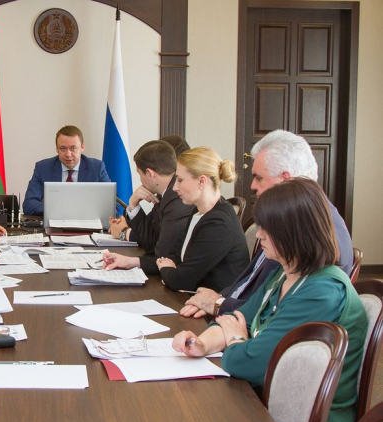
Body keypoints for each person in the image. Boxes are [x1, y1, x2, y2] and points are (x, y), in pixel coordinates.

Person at [173, 178, 367, 422]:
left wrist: (237, 340)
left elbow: (247, 363)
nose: (259, 235)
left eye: (267, 228)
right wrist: (202, 344)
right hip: (272, 398)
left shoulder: (322, 291)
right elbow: (234, 319)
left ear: (295, 232)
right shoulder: (284, 272)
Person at [181, 129, 354, 318]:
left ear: (285, 180)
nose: (252, 186)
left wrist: (219, 305)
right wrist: (217, 300)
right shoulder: (288, 219)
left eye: (259, 177)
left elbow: (275, 310)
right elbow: (249, 283)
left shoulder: (314, 230)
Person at [104, 147, 249, 292]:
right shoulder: (198, 211)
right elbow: (176, 258)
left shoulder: (218, 223)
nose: (174, 187)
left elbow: (179, 280)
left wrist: (167, 268)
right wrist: (129, 262)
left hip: (209, 302)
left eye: (180, 180)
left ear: (202, 182)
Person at [108, 136, 193, 252]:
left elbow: (158, 246)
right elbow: (150, 232)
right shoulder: (163, 193)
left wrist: (123, 232)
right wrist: (133, 205)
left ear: (150, 173)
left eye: (140, 174)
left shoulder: (177, 197)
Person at [23, 125, 111, 215]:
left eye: (73, 148)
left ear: (82, 147)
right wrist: (60, 210)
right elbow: (29, 203)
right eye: (63, 148)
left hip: (87, 220)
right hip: (55, 220)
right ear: (57, 149)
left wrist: (81, 211)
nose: (68, 154)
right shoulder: (43, 168)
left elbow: (113, 204)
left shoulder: (96, 168)